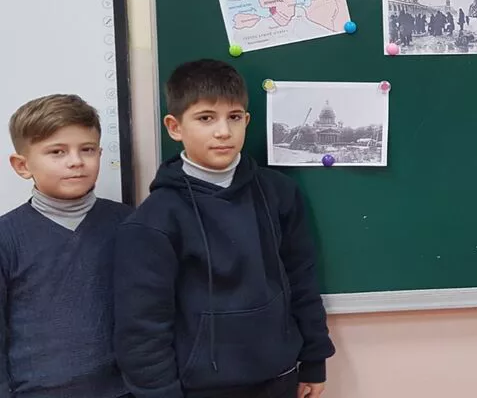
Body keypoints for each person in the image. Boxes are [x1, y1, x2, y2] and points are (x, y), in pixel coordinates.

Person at [114, 59, 335, 398]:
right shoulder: (154, 221)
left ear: (246, 121)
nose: (223, 132)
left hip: (280, 376)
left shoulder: (279, 193)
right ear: (174, 127)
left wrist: (314, 359)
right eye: (206, 118)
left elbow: (302, 279)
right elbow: (142, 327)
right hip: (201, 387)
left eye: (234, 117)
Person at [1, 94, 132, 397]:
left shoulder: (129, 223)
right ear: (22, 165)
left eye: (87, 149)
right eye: (57, 152)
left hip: (122, 389)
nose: (76, 161)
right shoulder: (6, 237)